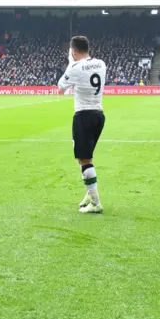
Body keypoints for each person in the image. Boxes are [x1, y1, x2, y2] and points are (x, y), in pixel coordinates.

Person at [58, 36, 107, 214]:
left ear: (73, 50)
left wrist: (70, 64)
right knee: (84, 156)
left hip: (83, 115)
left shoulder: (75, 67)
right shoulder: (101, 63)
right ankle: (89, 192)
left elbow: (60, 88)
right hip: (98, 114)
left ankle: (95, 202)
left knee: (84, 160)